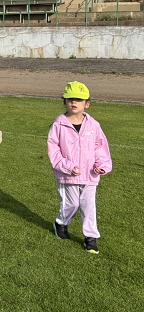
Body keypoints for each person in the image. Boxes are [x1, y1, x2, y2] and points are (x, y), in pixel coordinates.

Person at [48, 82, 112, 254]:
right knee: (71, 204)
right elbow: (54, 151)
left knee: (88, 206)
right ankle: (61, 223)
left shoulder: (93, 125)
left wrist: (102, 165)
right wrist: (68, 167)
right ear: (65, 102)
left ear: (87, 103)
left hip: (90, 175)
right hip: (67, 175)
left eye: (78, 100)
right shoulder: (59, 125)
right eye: (70, 100)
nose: (74, 103)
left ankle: (91, 238)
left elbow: (100, 147)